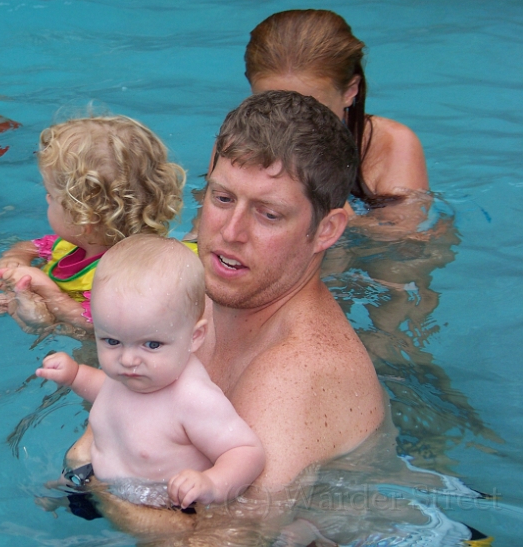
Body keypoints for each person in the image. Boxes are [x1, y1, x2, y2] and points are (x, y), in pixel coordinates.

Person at [51, 91, 387, 538]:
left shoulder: (294, 375)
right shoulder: (198, 290)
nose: (231, 232)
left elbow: (225, 538)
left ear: (326, 230)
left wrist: (93, 486)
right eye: (223, 198)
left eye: (269, 214)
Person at [36, 234, 265, 510]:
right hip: (99, 479)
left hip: (158, 507)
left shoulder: (193, 398)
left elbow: (246, 452)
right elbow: (106, 390)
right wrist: (74, 375)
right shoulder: (134, 372)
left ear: (194, 337)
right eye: (111, 341)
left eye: (152, 344)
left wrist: (212, 483)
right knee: (54, 495)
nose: (128, 359)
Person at [0, 116, 186, 334]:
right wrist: (16, 260)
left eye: (51, 196)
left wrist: (49, 294)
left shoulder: (127, 274)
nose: (46, 199)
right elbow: (29, 247)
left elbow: (104, 325)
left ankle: (40, 317)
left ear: (83, 218)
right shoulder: (69, 244)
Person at [245, 9, 428, 210]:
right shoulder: (238, 143)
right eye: (272, 106)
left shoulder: (389, 144)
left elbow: (409, 229)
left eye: (312, 111)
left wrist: (333, 212)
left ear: (350, 91)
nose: (290, 125)